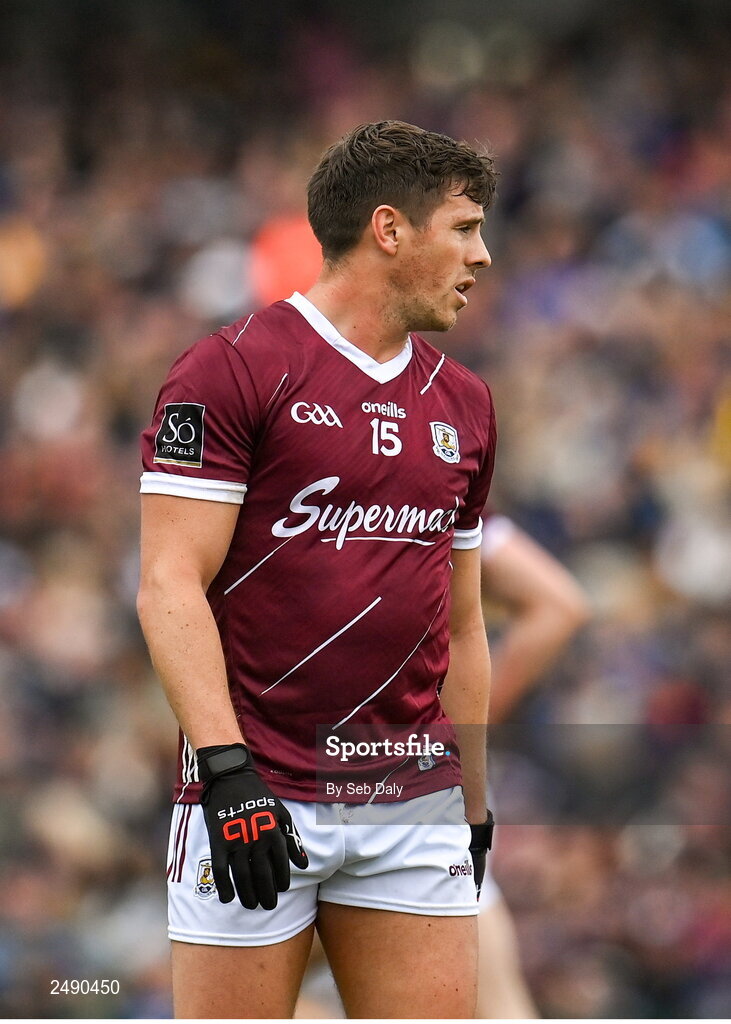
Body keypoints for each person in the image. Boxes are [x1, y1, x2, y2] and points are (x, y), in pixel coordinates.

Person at [137, 120, 499, 1019]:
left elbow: (461, 624)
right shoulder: (231, 370)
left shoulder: (466, 404)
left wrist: (475, 803)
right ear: (388, 229)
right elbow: (168, 583)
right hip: (260, 786)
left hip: (406, 792)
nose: (482, 255)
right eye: (463, 228)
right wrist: (225, 772)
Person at [293, 513, 591, 1020]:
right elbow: (558, 605)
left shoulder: (316, 488)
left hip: (336, 763)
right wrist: (457, 726)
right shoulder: (432, 486)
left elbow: (559, 606)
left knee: (252, 976)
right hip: (413, 770)